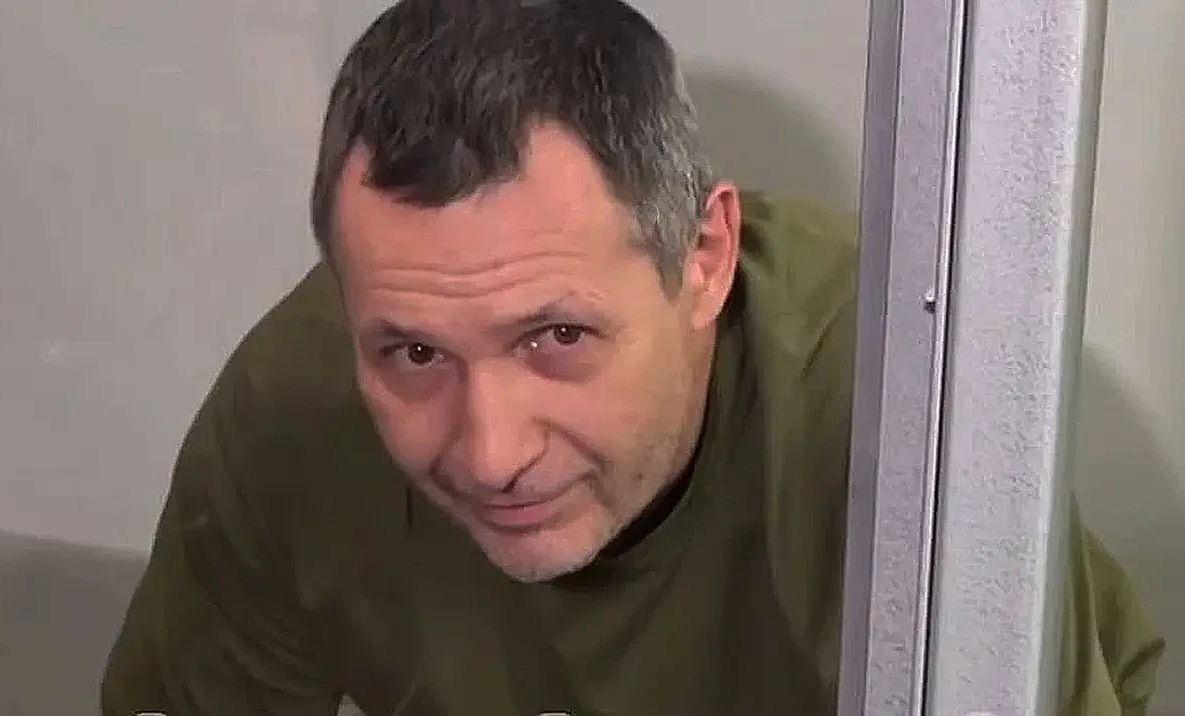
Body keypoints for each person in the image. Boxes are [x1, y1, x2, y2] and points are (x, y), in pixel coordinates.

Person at [100, 0, 1165, 713]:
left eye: (557, 337)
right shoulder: (290, 406)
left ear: (702, 259)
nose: (490, 452)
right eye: (414, 353)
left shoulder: (891, 413)